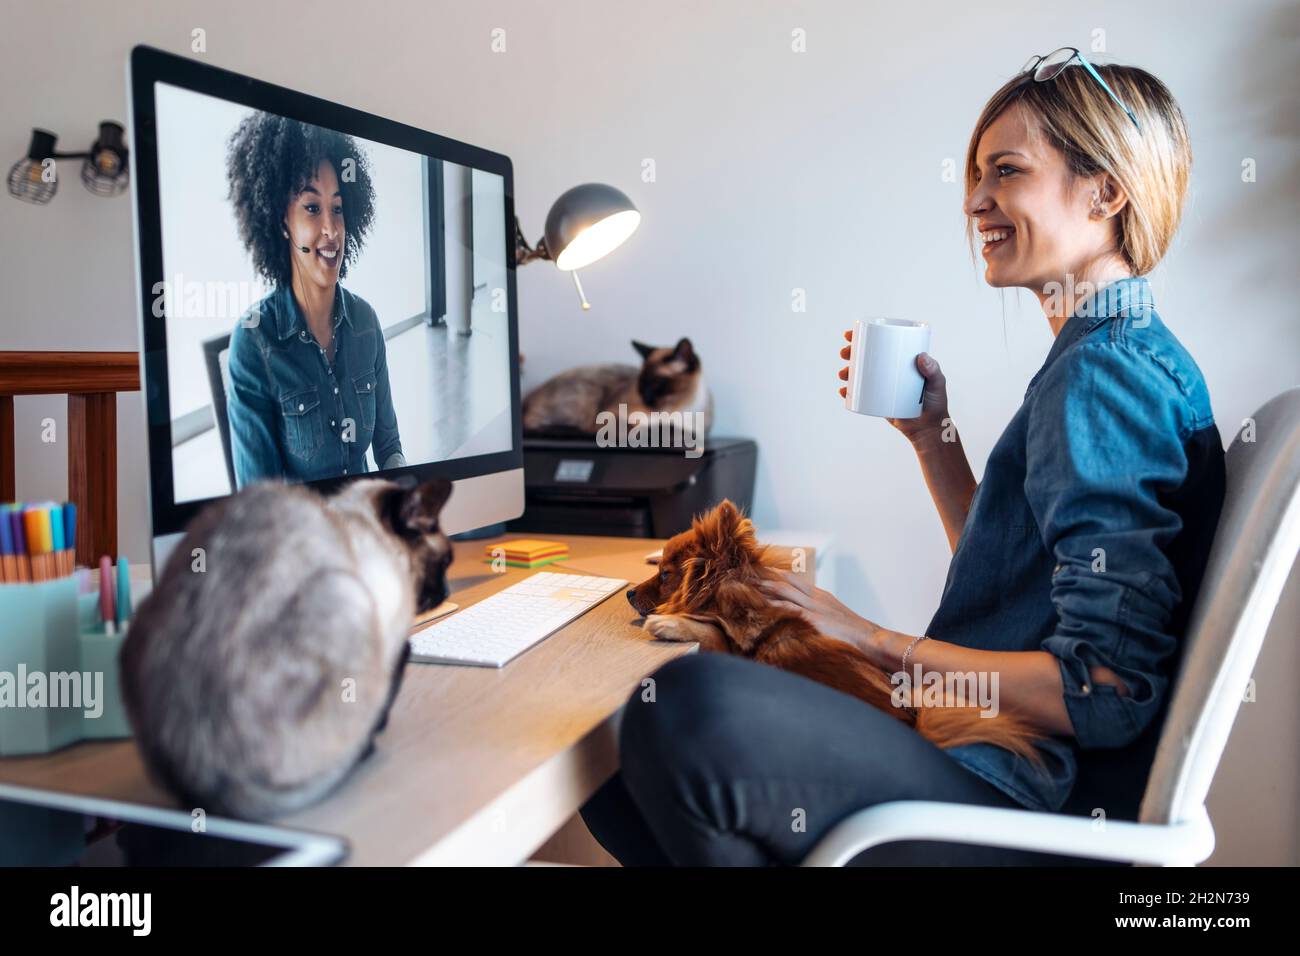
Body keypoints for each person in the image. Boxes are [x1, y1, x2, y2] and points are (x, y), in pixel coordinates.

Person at [580, 50, 1226, 866]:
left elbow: (1103, 691)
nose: (975, 200)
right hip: (996, 760)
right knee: (608, 748)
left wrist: (871, 635)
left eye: (1006, 171)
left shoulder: (1104, 373)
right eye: (974, 174)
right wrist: (934, 438)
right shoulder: (1106, 357)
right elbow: (1019, 591)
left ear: (1106, 192)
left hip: (1022, 793)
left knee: (684, 703)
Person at [225, 113, 404, 487]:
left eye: (337, 209)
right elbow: (263, 509)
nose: (331, 229)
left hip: (368, 528)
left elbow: (388, 446)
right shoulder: (254, 343)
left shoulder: (366, 322)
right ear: (281, 222)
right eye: (311, 208)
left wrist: (408, 504)